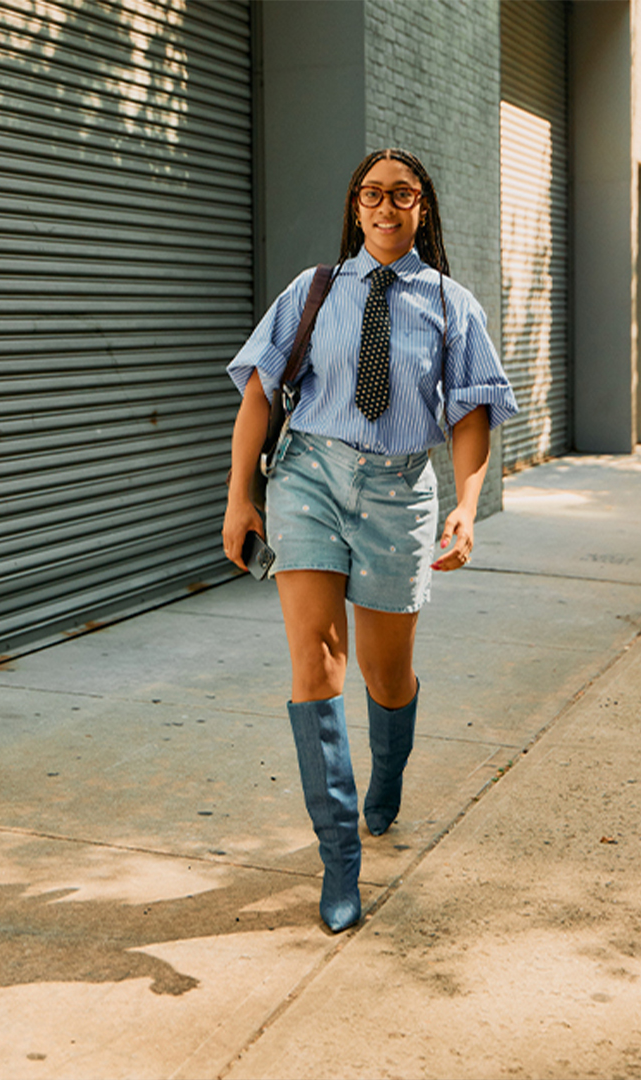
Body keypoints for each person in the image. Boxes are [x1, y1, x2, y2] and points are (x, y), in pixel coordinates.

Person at [221, 148, 517, 932]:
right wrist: (239, 498)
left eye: (402, 194)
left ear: (423, 207)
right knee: (316, 663)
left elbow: (471, 413)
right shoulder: (314, 289)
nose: (386, 207)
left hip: (399, 493)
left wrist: (465, 504)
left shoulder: (453, 306)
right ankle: (339, 861)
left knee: (388, 677)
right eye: (371, 194)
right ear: (355, 207)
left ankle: (386, 773)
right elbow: (259, 391)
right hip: (308, 478)